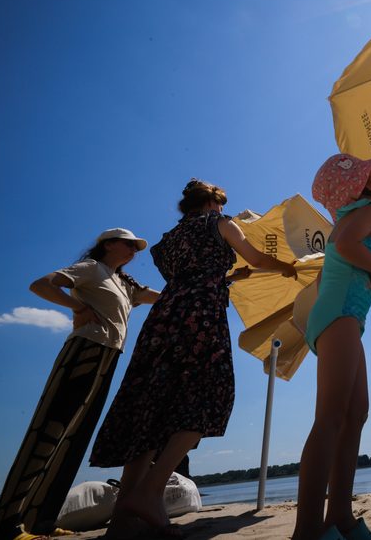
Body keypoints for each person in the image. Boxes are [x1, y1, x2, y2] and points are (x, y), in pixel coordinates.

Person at [89, 179, 297, 537]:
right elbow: (257, 257)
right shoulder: (220, 222)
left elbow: (191, 275)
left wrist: (233, 275)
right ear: (213, 204)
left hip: (165, 316)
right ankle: (151, 492)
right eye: (220, 204)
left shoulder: (165, 244)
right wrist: (288, 267)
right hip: (200, 316)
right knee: (207, 396)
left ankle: (124, 514)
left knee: (150, 404)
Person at [0, 229, 160, 540]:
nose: (133, 250)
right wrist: (77, 308)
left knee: (73, 439)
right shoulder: (91, 268)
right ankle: (5, 526)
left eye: (136, 247)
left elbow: (161, 298)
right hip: (84, 351)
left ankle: (41, 520)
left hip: (109, 357)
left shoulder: (124, 283)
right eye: (128, 244)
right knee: (48, 433)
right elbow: (40, 285)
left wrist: (221, 281)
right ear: (108, 244)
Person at [292, 154, 371, 540]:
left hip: (342, 315)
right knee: (331, 418)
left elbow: (326, 275)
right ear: (361, 186)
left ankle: (340, 517)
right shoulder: (368, 210)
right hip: (341, 316)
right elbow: (349, 248)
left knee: (355, 414)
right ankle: (308, 530)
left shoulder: (348, 216)